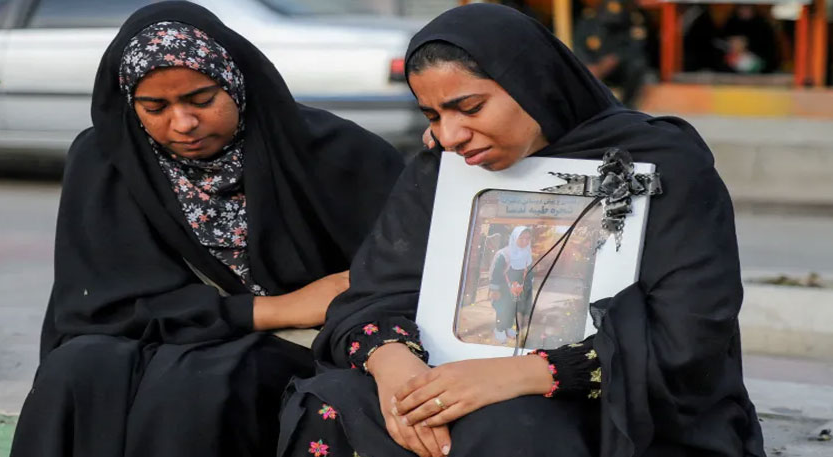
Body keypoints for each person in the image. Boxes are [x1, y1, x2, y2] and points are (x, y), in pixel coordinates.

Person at [279, 4, 765, 457]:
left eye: (470, 108)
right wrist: (396, 370)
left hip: (611, 400)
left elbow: (688, 337)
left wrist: (517, 375)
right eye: (433, 116)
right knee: (334, 400)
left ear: (533, 84)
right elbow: (376, 294)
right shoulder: (443, 168)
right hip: (448, 376)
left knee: (510, 423)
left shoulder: (662, 166)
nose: (450, 135)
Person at [9, 2, 403, 457]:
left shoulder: (335, 153)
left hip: (296, 345)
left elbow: (400, 274)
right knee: (75, 371)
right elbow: (97, 307)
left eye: (201, 100)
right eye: (154, 107)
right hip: (161, 332)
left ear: (235, 82)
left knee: (205, 384)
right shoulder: (105, 160)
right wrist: (275, 308)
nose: (183, 124)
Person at [488, 226, 534, 344]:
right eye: (521, 238)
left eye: (527, 238)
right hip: (504, 288)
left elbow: (529, 271)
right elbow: (496, 272)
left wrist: (527, 287)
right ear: (514, 238)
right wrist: (495, 290)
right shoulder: (504, 254)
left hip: (518, 288)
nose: (524, 241)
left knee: (513, 309)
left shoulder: (527, 253)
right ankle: (499, 329)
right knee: (502, 309)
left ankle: (508, 328)